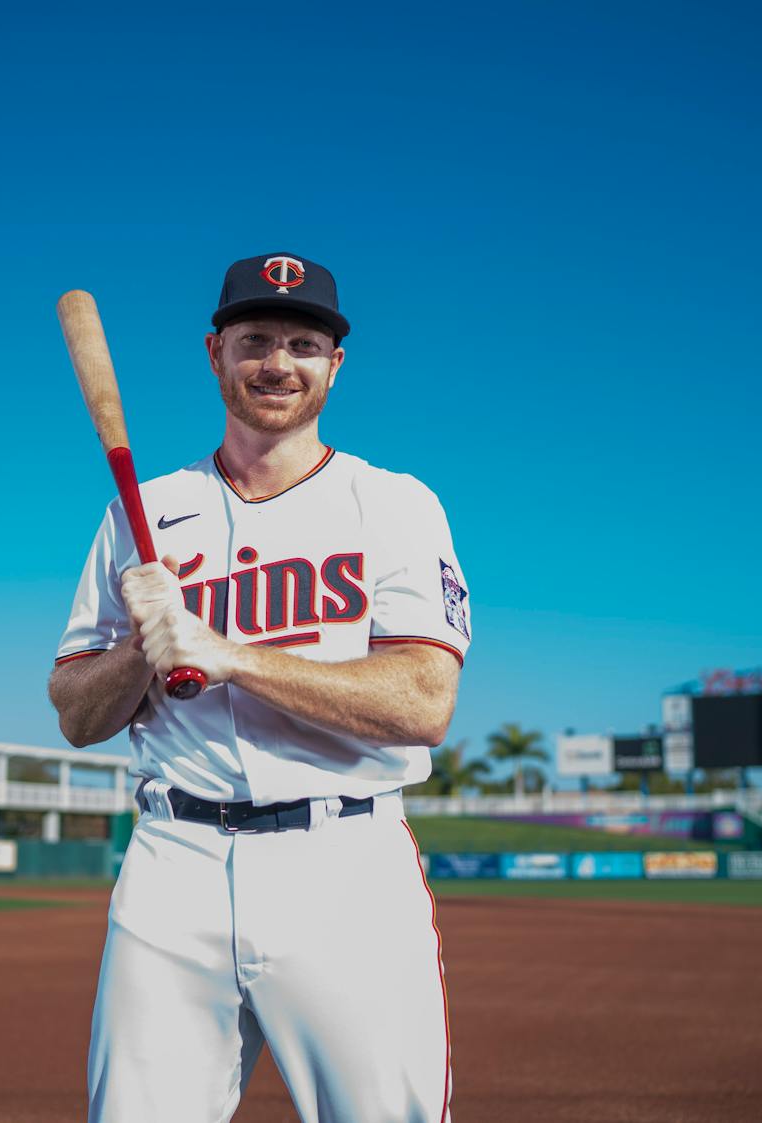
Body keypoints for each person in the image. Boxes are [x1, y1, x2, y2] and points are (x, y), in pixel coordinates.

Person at [49, 252, 471, 1123]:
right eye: (256, 340)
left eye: (303, 343)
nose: (279, 361)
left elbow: (423, 702)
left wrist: (228, 651)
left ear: (335, 363)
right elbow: (75, 712)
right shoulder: (146, 511)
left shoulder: (392, 504)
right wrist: (140, 648)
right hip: (173, 860)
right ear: (215, 353)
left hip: (343, 859)